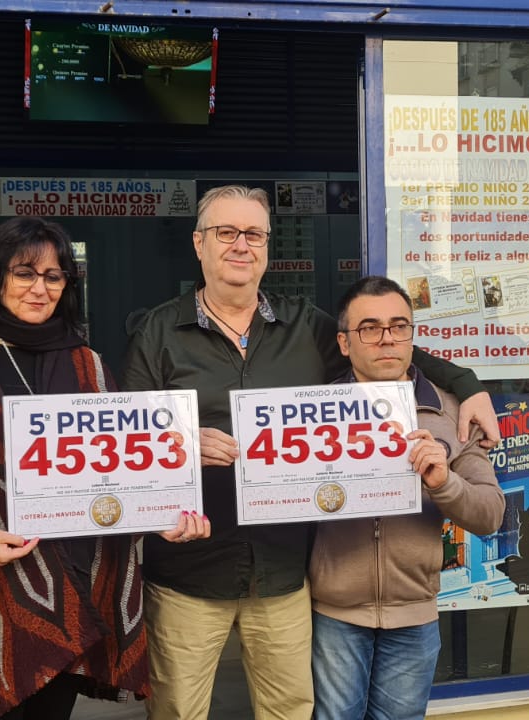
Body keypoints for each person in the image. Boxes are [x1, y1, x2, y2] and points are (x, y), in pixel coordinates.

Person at [122, 185, 501, 720]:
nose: (240, 245)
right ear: (198, 244)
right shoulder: (158, 332)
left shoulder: (309, 328)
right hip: (188, 572)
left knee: (290, 713)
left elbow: (380, 346)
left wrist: (466, 381)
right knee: (178, 712)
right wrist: (180, 447)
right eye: (226, 232)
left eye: (253, 234)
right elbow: (129, 445)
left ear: (268, 247)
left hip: (283, 572)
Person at [0, 217, 210, 720]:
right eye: (25, 273)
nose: (40, 288)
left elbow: (121, 473)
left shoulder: (87, 366)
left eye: (54, 276)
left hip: (67, 591)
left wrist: (159, 513)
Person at [307, 276, 505, 720]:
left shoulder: (451, 411)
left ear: (412, 336)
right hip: (334, 614)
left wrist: (443, 483)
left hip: (415, 616)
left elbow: (491, 514)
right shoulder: (310, 411)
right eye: (370, 328)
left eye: (399, 327)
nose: (387, 339)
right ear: (344, 342)